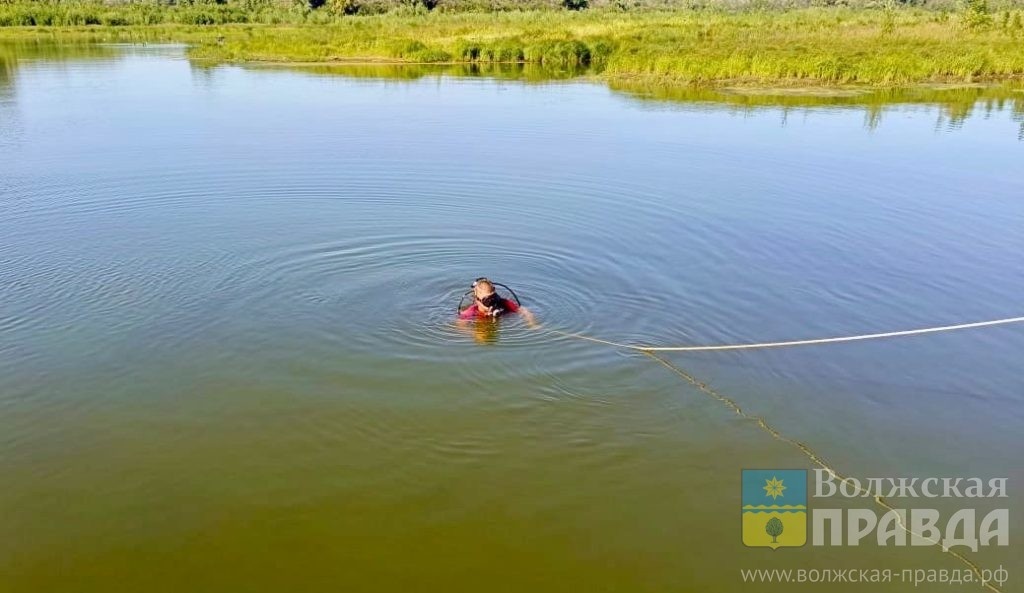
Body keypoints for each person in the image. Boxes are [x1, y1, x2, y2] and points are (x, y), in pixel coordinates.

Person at [458, 278, 537, 327]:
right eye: (487, 301)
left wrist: (532, 324)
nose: (492, 303)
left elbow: (523, 311)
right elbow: (460, 325)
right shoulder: (472, 311)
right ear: (477, 300)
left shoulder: (504, 303)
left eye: (494, 297)